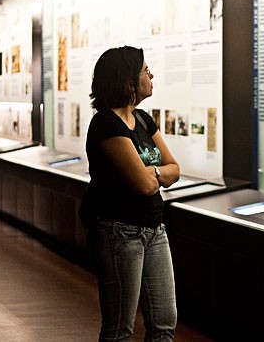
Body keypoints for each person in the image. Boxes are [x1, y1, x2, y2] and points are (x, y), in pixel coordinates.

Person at [85, 46, 180, 341]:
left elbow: (174, 169)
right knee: (119, 329)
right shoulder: (106, 123)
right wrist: (156, 174)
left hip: (154, 229)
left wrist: (151, 172)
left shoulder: (142, 120)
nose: (151, 76)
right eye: (145, 71)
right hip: (120, 233)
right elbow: (145, 185)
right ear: (127, 80)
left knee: (164, 323)